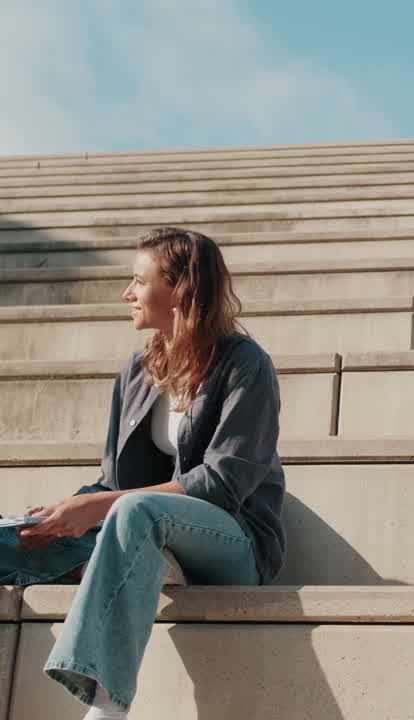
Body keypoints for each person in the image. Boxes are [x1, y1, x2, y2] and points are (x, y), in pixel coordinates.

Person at [5, 228, 286, 720]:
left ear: (179, 290)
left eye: (138, 280)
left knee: (136, 510)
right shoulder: (136, 370)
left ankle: (108, 707)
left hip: (234, 543)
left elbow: (222, 483)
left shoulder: (246, 366)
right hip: (142, 526)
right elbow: (113, 483)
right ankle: (151, 562)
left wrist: (102, 505)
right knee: (9, 537)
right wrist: (65, 511)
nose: (126, 293)